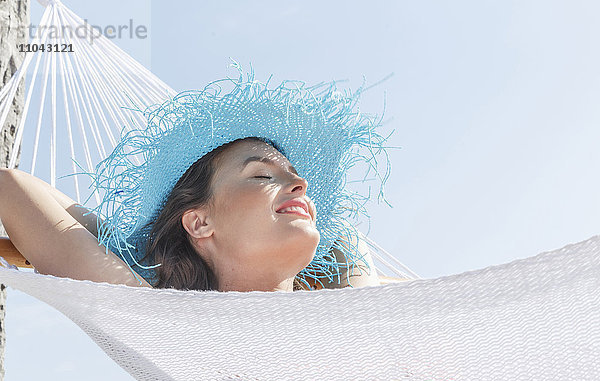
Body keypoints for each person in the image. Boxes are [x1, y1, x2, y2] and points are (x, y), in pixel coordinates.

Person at [0, 70, 390, 292]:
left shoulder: (352, 313)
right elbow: (11, 186)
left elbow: (344, 241)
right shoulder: (155, 315)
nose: (299, 183)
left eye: (294, 175)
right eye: (262, 175)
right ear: (199, 222)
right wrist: (139, 254)